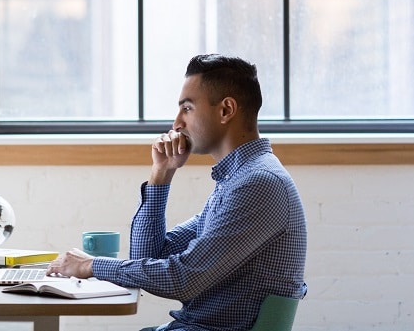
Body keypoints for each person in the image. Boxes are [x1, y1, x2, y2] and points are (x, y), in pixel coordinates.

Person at [47, 54, 307, 331]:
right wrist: (162, 174)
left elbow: (183, 280)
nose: (176, 123)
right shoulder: (236, 180)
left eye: (187, 108)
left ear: (226, 110)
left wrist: (91, 266)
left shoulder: (257, 184)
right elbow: (146, 258)